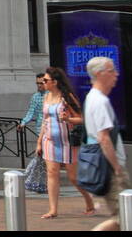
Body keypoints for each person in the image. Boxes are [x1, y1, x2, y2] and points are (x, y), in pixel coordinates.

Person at [38, 66, 94, 218]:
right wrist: (39, 142)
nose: (43, 82)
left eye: (46, 80)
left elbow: (81, 118)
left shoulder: (67, 97)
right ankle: (53, 209)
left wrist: (68, 119)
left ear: (54, 82)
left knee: (73, 177)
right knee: (52, 172)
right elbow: (45, 121)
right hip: (49, 140)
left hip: (67, 141)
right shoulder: (46, 97)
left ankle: (89, 200)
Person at [84, 57, 129, 232]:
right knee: (124, 218)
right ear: (99, 74)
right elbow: (103, 138)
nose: (116, 75)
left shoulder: (93, 98)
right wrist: (117, 168)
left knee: (125, 217)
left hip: (105, 166)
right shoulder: (99, 101)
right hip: (109, 168)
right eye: (111, 71)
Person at [17, 72, 46, 139]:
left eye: (41, 83)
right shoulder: (35, 96)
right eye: (37, 83)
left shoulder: (52, 95)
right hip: (40, 131)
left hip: (52, 130)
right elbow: (31, 112)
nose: (39, 85)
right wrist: (23, 123)